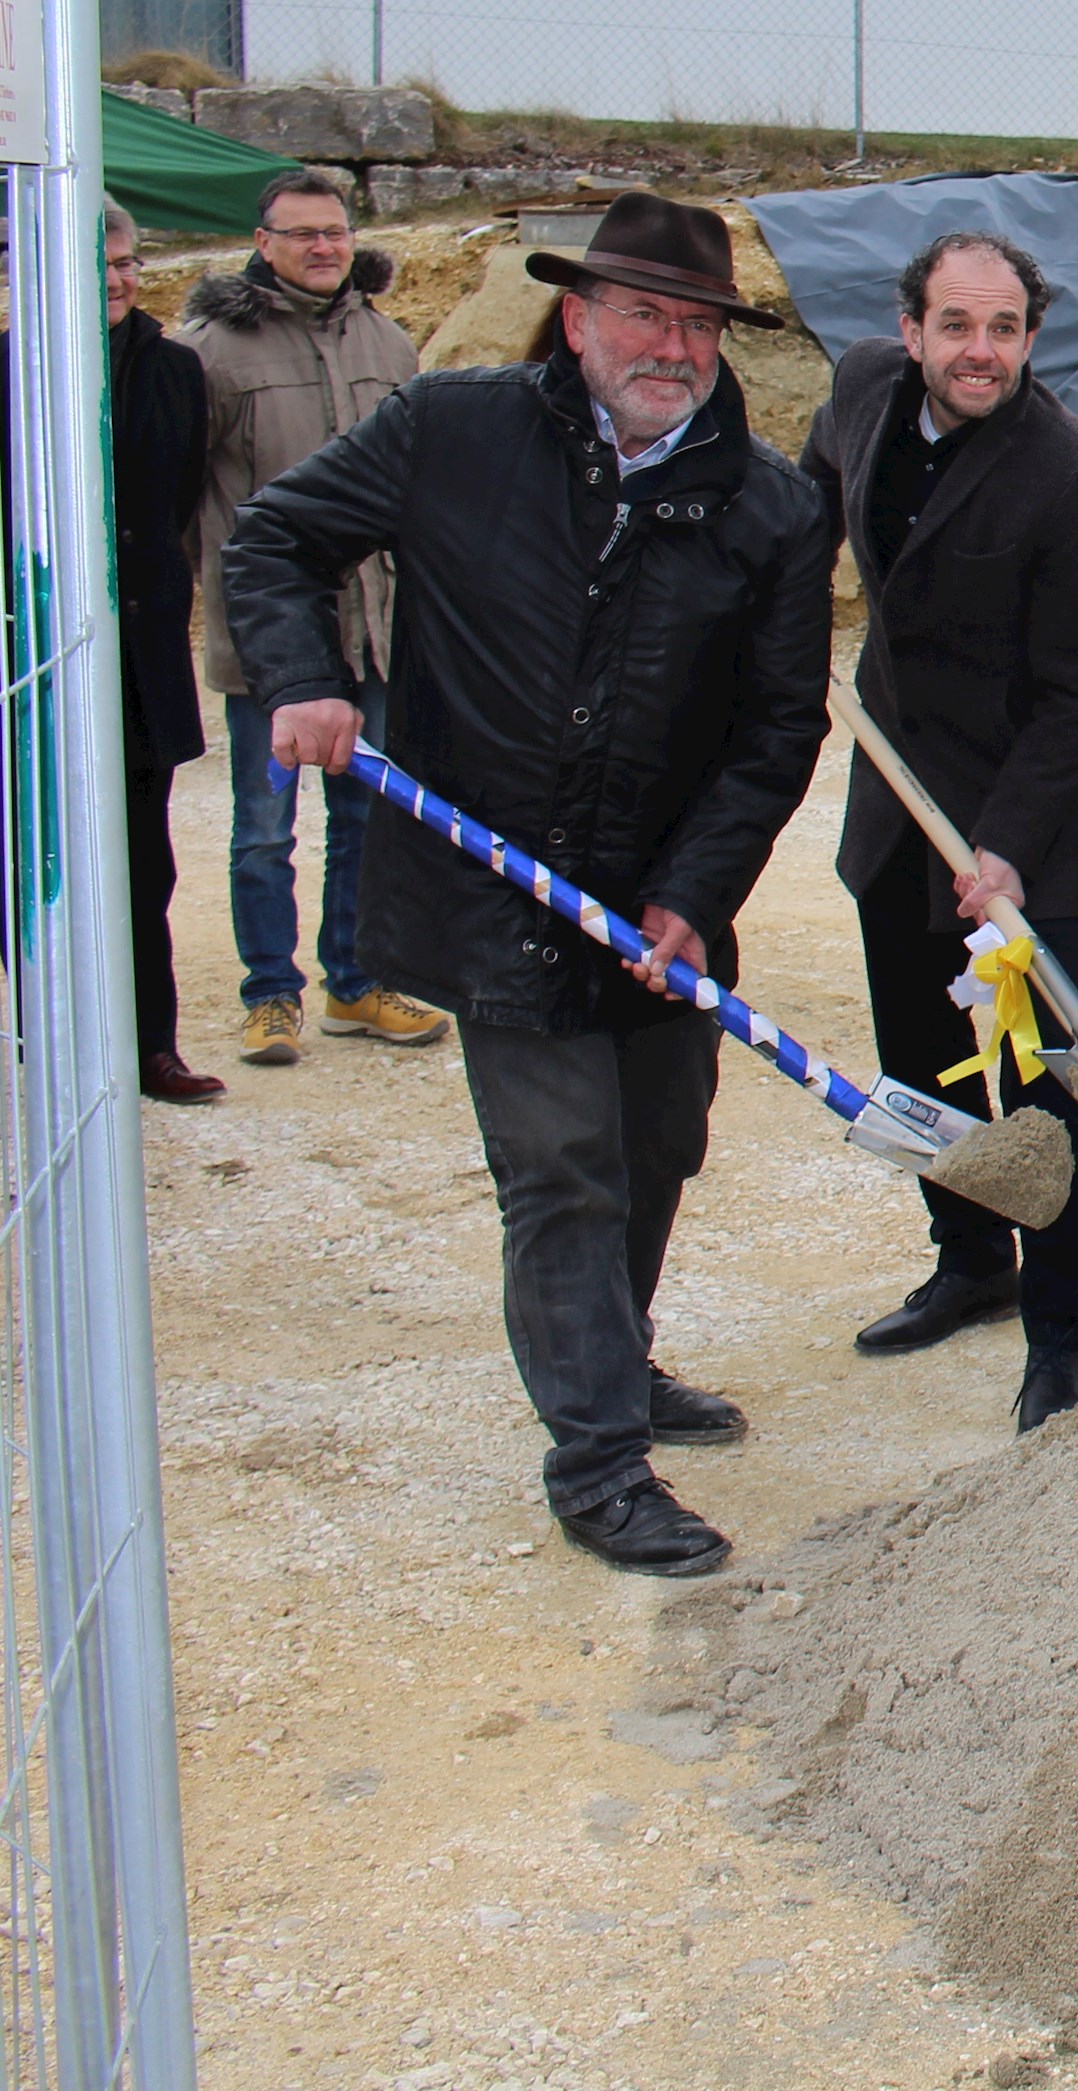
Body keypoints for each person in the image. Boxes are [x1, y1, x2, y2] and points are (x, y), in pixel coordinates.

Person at [226, 191, 834, 1578]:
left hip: (659, 904)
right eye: (640, 311)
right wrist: (307, 675)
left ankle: (613, 1356)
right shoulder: (455, 430)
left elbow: (776, 726)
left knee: (659, 1144)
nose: (669, 343)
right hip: (491, 880)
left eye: (693, 319)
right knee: (560, 1168)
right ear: (576, 315)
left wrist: (694, 890)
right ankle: (600, 1458)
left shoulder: (771, 502)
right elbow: (275, 541)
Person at [803, 231, 1078, 1433]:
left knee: (1045, 1079)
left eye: (1003, 329)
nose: (979, 351)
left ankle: (1059, 1329)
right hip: (897, 798)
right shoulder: (857, 393)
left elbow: (1073, 699)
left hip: (1021, 821)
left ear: (1031, 340)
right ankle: (968, 1259)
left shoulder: (1076, 481)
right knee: (923, 1055)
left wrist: (1001, 844)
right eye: (956, 325)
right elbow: (810, 516)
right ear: (911, 331)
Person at [179, 167, 445, 1068]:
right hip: (271, 643)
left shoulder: (390, 342)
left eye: (334, 230)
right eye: (301, 234)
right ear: (265, 244)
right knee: (263, 826)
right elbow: (189, 496)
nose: (323, 247)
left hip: (372, 631)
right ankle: (270, 994)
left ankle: (354, 981)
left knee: (366, 819)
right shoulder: (214, 351)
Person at [0, 202, 217, 1099]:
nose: (121, 279)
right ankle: (47, 1041)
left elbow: (178, 502)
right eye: (99, 264)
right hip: (33, 661)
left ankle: (148, 1044)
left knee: (142, 859)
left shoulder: (174, 372)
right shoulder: (14, 373)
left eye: (127, 261)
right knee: (36, 861)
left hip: (139, 660)